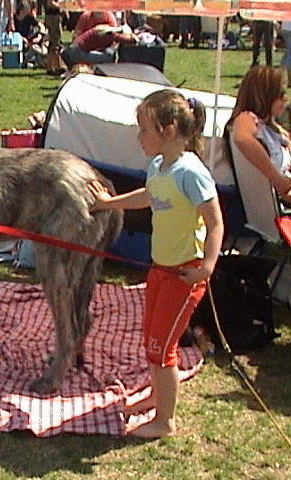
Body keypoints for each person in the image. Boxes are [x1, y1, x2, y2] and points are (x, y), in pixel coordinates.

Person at [89, 89, 224, 438]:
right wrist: (109, 203)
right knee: (153, 340)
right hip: (160, 269)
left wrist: (207, 266)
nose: (139, 138)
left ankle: (166, 421)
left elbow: (215, 222)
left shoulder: (190, 173)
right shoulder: (159, 167)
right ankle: (156, 397)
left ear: (167, 131)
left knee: (163, 348)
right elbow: (149, 196)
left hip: (184, 273)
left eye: (144, 130)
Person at [226, 66, 291, 204]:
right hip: (278, 203)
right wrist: (281, 183)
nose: (285, 98)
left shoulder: (270, 127)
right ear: (264, 95)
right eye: (280, 94)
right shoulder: (246, 118)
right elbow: (242, 139)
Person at [61, 22, 137, 69]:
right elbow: (132, 40)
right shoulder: (110, 34)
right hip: (78, 53)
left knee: (105, 53)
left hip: (73, 49)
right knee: (109, 57)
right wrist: (132, 35)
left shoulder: (103, 29)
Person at [42, 0, 63, 76]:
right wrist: (62, 6)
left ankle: (55, 66)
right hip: (52, 17)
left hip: (54, 16)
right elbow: (50, 2)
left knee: (56, 41)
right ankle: (52, 67)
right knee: (55, 41)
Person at [281, 21, 291, 85]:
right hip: (289, 28)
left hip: (285, 27)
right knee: (289, 53)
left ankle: (280, 76)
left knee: (287, 52)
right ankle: (289, 80)